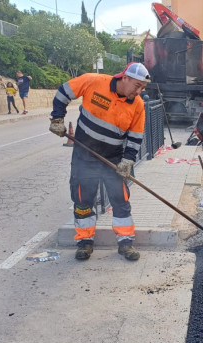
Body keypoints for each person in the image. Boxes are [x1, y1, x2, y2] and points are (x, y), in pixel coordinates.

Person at [49, 62, 150, 261]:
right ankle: (85, 242)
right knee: (83, 199)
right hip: (83, 155)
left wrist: (127, 161)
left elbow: (136, 136)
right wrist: (57, 119)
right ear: (125, 78)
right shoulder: (93, 81)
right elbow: (63, 92)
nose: (139, 92)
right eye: (137, 86)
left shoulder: (137, 105)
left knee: (120, 200)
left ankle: (126, 242)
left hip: (112, 158)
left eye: (142, 88)